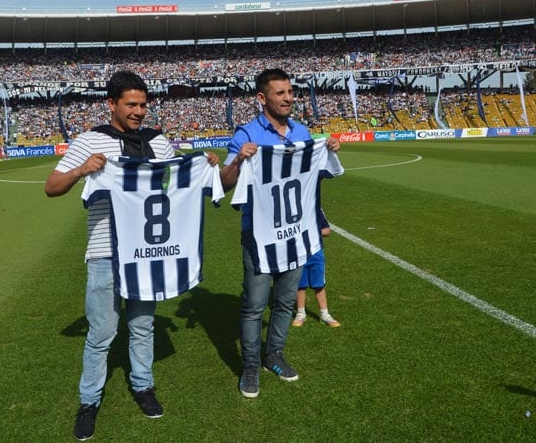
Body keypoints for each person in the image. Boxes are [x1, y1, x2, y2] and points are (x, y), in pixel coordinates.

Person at [44, 70, 219, 441]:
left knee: (142, 325)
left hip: (148, 253)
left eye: (143, 104)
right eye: (131, 105)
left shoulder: (158, 142)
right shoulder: (90, 141)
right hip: (106, 251)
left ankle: (143, 386)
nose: (140, 111)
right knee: (102, 332)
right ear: (111, 104)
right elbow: (52, 187)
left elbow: (176, 184)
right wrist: (81, 169)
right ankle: (88, 401)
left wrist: (204, 168)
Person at [219, 68, 342, 399]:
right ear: (262, 98)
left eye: (290, 92)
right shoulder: (246, 134)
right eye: (280, 93)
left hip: (296, 232)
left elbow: (317, 176)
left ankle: (274, 354)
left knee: (285, 301)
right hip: (259, 236)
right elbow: (223, 183)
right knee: (254, 305)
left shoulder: (302, 132)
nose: (288, 98)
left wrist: (328, 149)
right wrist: (238, 162)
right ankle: (249, 366)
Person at [292, 208, 340, 328]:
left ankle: (325, 314)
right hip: (299, 254)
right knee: (300, 285)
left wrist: (313, 232)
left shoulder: (316, 209)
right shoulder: (291, 210)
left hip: (316, 254)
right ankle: (301, 313)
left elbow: (327, 231)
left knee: (319, 284)